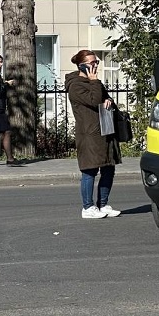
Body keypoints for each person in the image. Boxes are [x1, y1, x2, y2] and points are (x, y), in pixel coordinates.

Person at [66, 49, 122, 219]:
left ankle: (103, 204)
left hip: (105, 131)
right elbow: (94, 100)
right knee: (89, 170)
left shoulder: (94, 83)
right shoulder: (75, 85)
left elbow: (104, 98)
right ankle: (88, 207)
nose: (95, 65)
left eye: (96, 62)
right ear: (81, 65)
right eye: (92, 63)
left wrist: (109, 100)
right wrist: (94, 82)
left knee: (108, 168)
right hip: (89, 134)